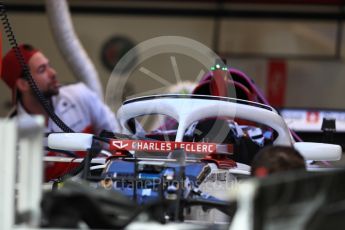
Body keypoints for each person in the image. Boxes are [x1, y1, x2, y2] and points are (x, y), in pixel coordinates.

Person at [1, 44, 121, 181]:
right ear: (23, 84)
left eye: (49, 65)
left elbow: (117, 142)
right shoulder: (11, 135)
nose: (53, 73)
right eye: (42, 70)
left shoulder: (80, 95)